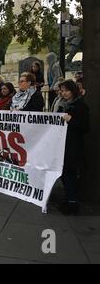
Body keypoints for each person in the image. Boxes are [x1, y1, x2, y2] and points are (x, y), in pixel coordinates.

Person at [55, 80, 89, 215]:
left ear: (73, 90)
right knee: (64, 173)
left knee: (70, 173)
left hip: (73, 146)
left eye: (66, 90)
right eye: (62, 91)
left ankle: (73, 202)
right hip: (62, 143)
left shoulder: (80, 106)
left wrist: (71, 120)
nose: (64, 93)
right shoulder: (62, 105)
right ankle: (69, 199)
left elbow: (85, 127)